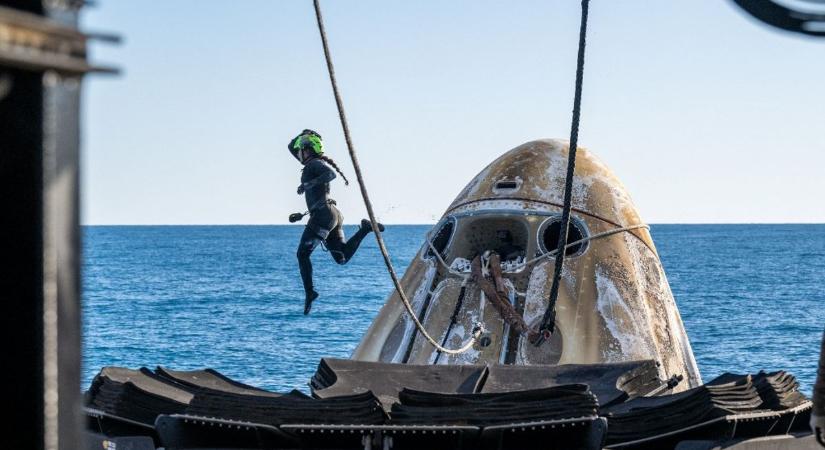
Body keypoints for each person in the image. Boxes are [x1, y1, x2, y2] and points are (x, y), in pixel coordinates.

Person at [288, 129, 384, 315]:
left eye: (302, 149)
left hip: (323, 214)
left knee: (302, 253)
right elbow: (291, 147)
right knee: (342, 257)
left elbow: (330, 175)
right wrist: (304, 133)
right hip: (332, 215)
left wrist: (307, 185)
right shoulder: (312, 162)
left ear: (307, 150)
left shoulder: (314, 164)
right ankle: (364, 229)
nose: (299, 152)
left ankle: (310, 293)